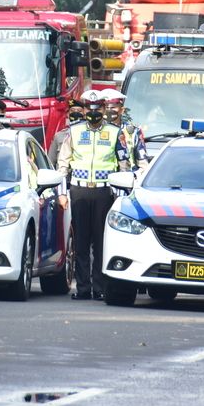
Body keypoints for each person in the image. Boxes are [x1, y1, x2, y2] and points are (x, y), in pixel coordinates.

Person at [57, 90, 129, 300]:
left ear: (104, 109)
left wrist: (121, 194)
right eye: (90, 107)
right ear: (85, 108)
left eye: (98, 108)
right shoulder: (74, 131)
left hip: (104, 192)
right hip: (79, 190)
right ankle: (82, 288)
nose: (94, 112)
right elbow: (63, 165)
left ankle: (99, 288)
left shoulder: (116, 132)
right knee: (80, 242)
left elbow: (124, 165)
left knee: (100, 241)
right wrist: (62, 193)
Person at [102, 88, 148, 170]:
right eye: (106, 107)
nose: (109, 110)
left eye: (113, 108)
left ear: (122, 110)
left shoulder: (134, 132)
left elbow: (143, 163)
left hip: (126, 178)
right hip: (103, 178)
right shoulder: (95, 130)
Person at [49, 98, 86, 168]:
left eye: (79, 111)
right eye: (72, 110)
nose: (76, 113)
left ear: (84, 114)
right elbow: (51, 161)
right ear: (68, 114)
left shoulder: (89, 134)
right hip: (63, 174)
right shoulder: (59, 136)